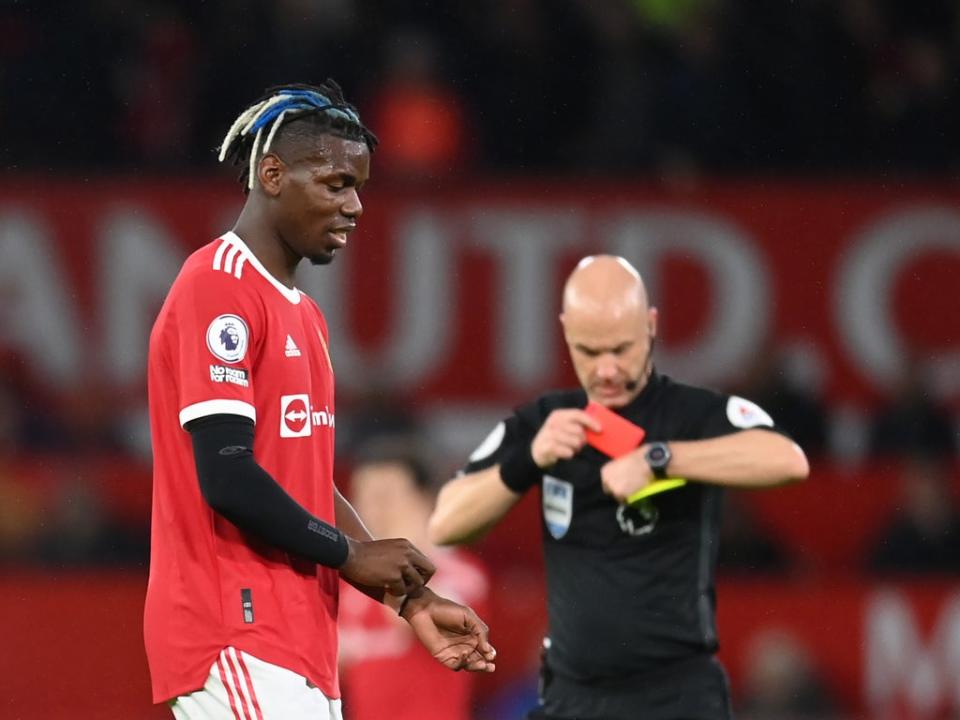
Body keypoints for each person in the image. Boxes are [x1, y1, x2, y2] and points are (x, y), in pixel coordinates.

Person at [144, 80, 495, 720]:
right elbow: (226, 474)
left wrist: (409, 601)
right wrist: (350, 554)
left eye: (359, 186)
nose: (356, 206)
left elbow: (304, 481)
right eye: (336, 184)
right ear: (273, 175)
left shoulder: (306, 317)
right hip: (235, 626)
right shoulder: (216, 286)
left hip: (301, 640)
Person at [428, 255, 809, 720]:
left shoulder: (690, 413)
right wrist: (528, 461)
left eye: (622, 349)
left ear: (651, 326)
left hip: (677, 699)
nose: (607, 369)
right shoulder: (544, 423)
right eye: (589, 352)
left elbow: (787, 459)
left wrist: (661, 459)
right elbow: (446, 524)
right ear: (566, 331)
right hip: (573, 698)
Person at [338, 436, 490, 720]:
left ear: (424, 499)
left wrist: (400, 549)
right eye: (362, 497)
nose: (373, 510)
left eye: (385, 496)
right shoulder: (349, 585)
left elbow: (425, 619)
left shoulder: (461, 573)